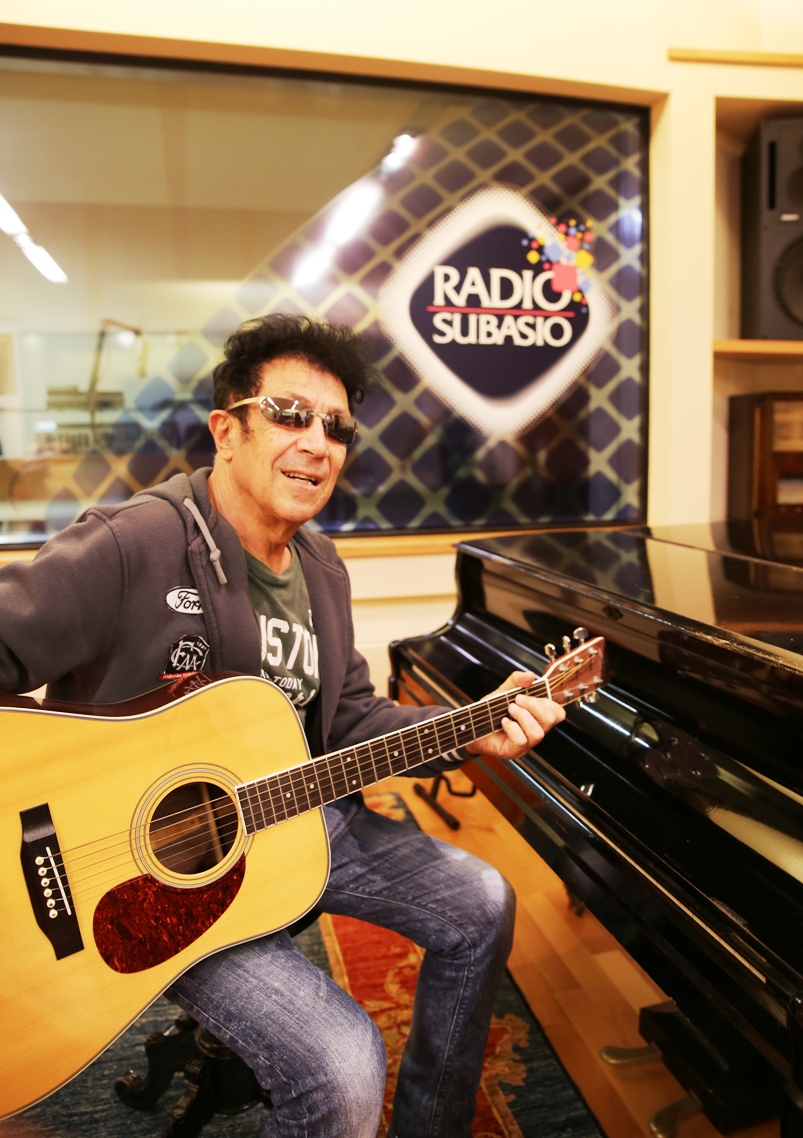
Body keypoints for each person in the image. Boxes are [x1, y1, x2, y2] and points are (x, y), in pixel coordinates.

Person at [0, 315, 565, 1137]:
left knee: (482, 900)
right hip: (149, 876)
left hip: (297, 819)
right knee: (342, 1066)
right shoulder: (135, 544)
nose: (317, 443)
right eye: (290, 415)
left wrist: (467, 728)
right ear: (226, 431)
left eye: (336, 428)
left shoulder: (322, 570)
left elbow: (350, 718)